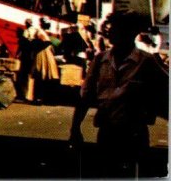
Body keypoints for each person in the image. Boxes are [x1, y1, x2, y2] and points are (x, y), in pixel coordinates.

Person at [69, 11, 169, 177]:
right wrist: (75, 128)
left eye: (117, 30)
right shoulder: (100, 60)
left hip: (134, 132)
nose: (110, 33)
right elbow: (85, 97)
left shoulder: (146, 61)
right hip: (107, 130)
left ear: (130, 33)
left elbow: (166, 90)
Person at [30, 17, 59, 103]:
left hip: (44, 54)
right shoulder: (41, 32)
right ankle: (39, 98)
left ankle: (40, 98)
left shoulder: (41, 32)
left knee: (43, 75)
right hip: (44, 54)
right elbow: (42, 43)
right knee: (42, 75)